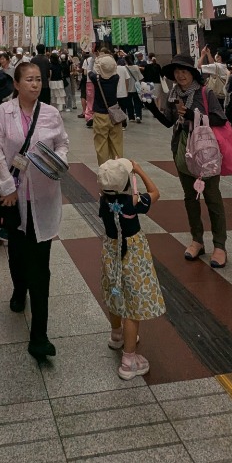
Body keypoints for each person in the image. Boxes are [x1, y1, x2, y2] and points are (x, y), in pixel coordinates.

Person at [0, 62, 69, 361]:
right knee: (17, 253)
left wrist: (57, 160)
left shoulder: (50, 113)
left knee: (41, 265)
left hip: (43, 195)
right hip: (13, 198)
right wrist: (6, 187)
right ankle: (18, 287)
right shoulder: (3, 113)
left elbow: (62, 142)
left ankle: (39, 336)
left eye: (38, 80)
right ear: (17, 84)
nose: (35, 84)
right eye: (29, 80)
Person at [149, 55, 229, 269]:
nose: (180, 75)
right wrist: (151, 107)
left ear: (192, 73)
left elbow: (220, 118)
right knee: (190, 197)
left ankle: (219, 245)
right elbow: (169, 122)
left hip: (205, 152)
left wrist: (194, 116)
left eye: (184, 71)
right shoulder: (174, 94)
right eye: (176, 72)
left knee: (212, 197)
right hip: (182, 149)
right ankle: (197, 240)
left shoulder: (205, 93)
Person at [97, 158, 165, 380]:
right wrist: (140, 171)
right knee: (133, 306)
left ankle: (116, 335)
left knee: (115, 293)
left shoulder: (103, 201)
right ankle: (129, 360)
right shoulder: (133, 202)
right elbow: (156, 192)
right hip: (133, 255)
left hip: (112, 252)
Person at [89, 54, 124, 164]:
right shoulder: (116, 78)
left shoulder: (96, 79)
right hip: (114, 115)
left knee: (101, 145)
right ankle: (118, 168)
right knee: (117, 144)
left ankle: (105, 169)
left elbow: (90, 70)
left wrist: (96, 59)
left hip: (100, 115)